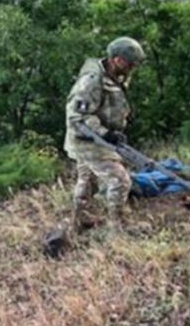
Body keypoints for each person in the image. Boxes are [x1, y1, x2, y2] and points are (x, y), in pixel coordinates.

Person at [63, 37, 146, 233]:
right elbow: (78, 116)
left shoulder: (115, 76)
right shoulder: (91, 81)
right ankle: (118, 228)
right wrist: (105, 134)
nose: (133, 68)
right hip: (88, 140)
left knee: (87, 179)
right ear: (117, 60)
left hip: (97, 137)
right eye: (130, 63)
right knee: (120, 179)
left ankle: (79, 221)